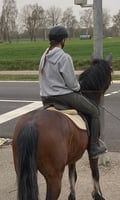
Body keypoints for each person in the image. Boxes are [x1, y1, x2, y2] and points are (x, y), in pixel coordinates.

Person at [39, 25, 106, 158]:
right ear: (63, 40)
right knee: (94, 111)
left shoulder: (44, 55)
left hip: (46, 97)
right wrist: (78, 87)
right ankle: (93, 147)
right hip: (63, 96)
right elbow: (72, 83)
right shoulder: (64, 57)